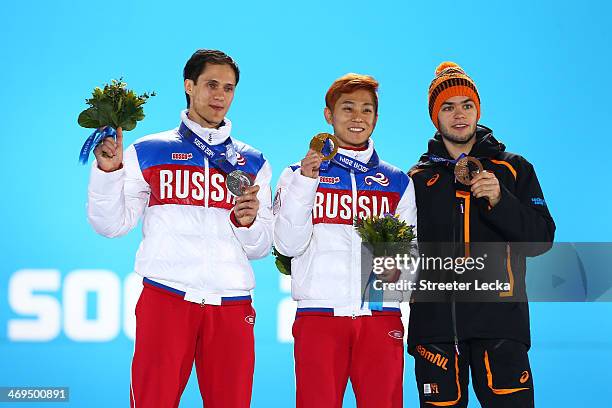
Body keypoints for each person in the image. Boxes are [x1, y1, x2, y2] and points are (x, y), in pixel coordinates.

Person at [87, 49, 273, 408]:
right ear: (189, 86)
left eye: (229, 88)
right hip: (166, 299)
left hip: (231, 306)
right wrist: (108, 173)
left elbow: (261, 246)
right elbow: (111, 225)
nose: (220, 95)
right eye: (211, 84)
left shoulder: (253, 161)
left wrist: (248, 224)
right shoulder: (149, 150)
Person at [407, 62, 555, 407]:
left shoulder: (514, 168)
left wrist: (502, 200)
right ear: (435, 117)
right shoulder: (416, 179)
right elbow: (401, 256)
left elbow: (541, 239)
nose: (459, 115)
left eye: (466, 105)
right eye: (448, 107)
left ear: (478, 110)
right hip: (436, 333)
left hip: (501, 327)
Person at [273, 73, 418, 408]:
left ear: (376, 119)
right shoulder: (297, 173)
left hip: (380, 318)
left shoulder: (397, 182)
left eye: (366, 110)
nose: (357, 117)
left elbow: (409, 261)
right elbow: (288, 245)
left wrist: (392, 266)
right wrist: (307, 183)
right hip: (319, 317)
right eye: (348, 108)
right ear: (329, 115)